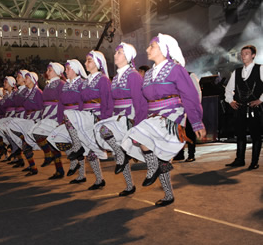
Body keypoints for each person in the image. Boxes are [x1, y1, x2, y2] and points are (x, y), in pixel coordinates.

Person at [121, 33, 206, 206]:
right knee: (161, 159)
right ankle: (168, 195)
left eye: (151, 46)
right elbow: (144, 102)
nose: (147, 49)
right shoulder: (150, 73)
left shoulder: (175, 69)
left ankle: (152, 168)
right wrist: (140, 119)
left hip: (171, 116)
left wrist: (197, 121)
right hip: (153, 117)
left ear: (163, 49)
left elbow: (190, 95)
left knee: (139, 135)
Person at [95, 42, 147, 196]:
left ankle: (167, 188)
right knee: (116, 147)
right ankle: (129, 186)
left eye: (119, 52)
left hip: (129, 117)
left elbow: (140, 102)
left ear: (127, 56)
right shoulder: (117, 77)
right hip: (117, 117)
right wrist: (106, 117)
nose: (115, 55)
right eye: (116, 52)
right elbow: (111, 102)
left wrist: (138, 125)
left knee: (150, 156)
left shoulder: (133, 76)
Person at [64, 52, 113, 190]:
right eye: (86, 61)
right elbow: (80, 102)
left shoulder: (103, 80)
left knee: (68, 115)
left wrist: (104, 120)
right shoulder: (85, 82)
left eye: (89, 61)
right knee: (90, 150)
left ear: (97, 63)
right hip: (85, 115)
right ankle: (99, 179)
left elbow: (107, 100)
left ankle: (77, 148)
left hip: (96, 115)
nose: (86, 63)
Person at [224, 45, 262, 170]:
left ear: (253, 55)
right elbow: (228, 90)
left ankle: (254, 162)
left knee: (256, 135)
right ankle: (239, 159)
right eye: (242, 53)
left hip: (254, 109)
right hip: (240, 108)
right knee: (240, 135)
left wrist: (260, 100)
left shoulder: (260, 69)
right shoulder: (237, 72)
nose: (243, 55)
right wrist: (230, 101)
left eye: (246, 53)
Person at [30, 63, 66, 179]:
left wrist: (61, 118)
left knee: (39, 134)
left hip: (55, 115)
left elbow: (63, 102)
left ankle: (49, 155)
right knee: (49, 141)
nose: (47, 72)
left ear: (56, 71)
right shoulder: (48, 85)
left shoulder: (61, 84)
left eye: (50, 70)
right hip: (47, 114)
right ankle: (59, 170)